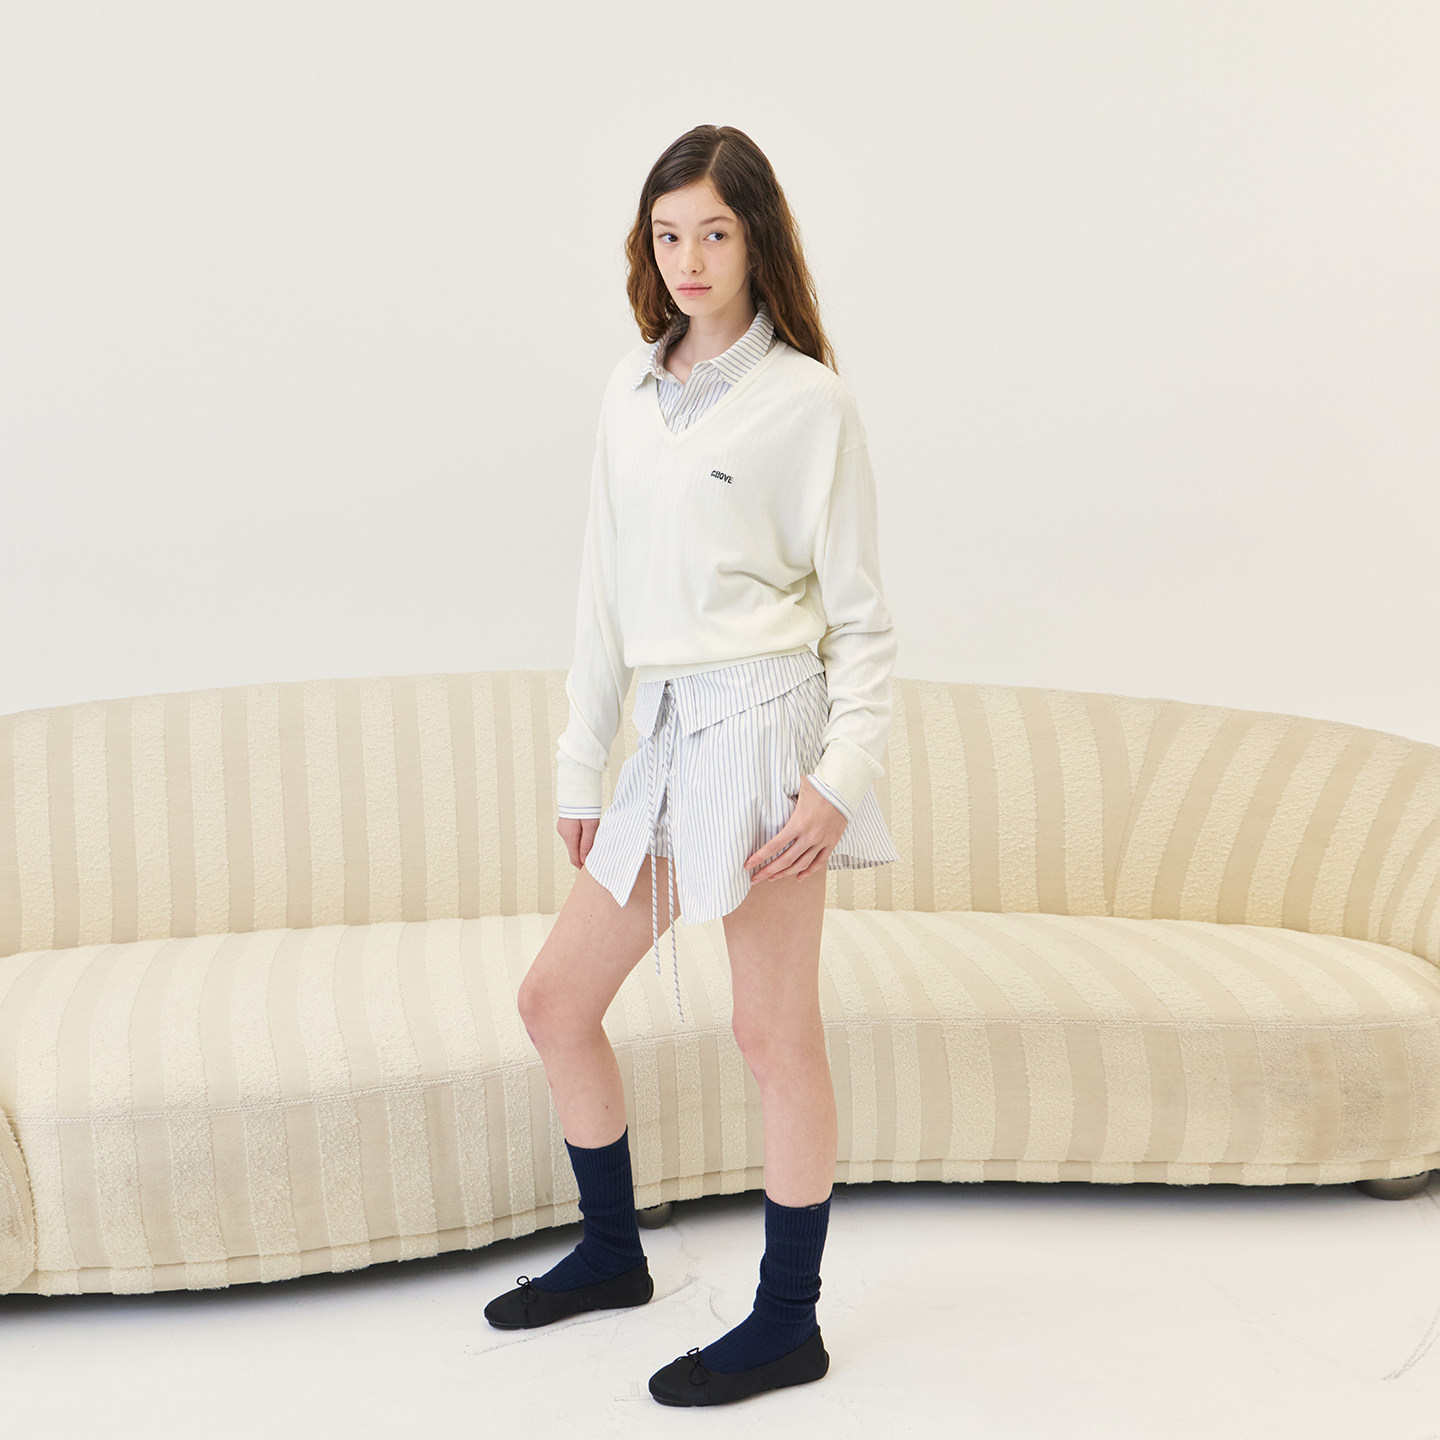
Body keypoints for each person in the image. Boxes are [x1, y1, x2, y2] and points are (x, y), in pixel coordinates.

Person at [484, 123, 899, 1408]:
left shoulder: (810, 402)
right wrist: (581, 769)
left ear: (756, 239)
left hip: (771, 729)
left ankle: (787, 1322)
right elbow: (602, 595)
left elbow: (862, 620)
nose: (689, 259)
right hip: (665, 735)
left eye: (714, 232)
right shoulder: (629, 389)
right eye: (668, 234)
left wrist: (837, 782)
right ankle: (614, 1255)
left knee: (770, 1032)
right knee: (555, 1001)